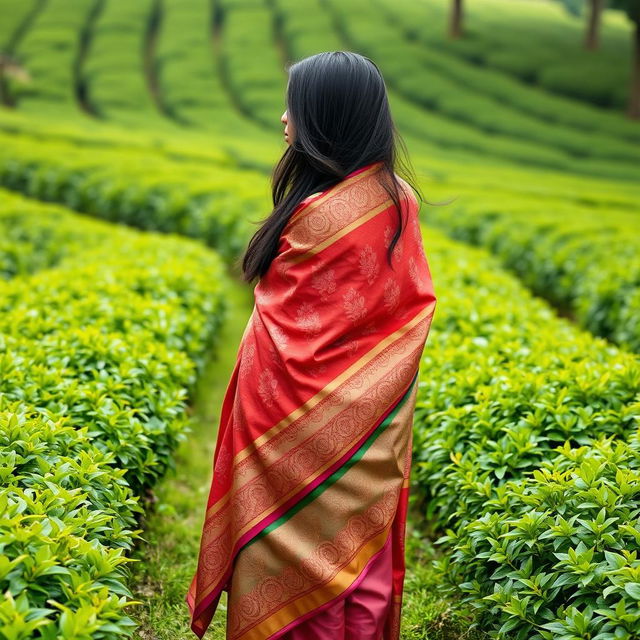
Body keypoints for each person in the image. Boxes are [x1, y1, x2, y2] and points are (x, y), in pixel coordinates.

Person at [186, 50, 437, 640]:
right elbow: (404, 316)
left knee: (289, 543)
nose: (282, 119)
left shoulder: (321, 213)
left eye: (293, 107)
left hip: (283, 418)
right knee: (357, 548)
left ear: (326, 118)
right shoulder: (396, 199)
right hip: (371, 417)